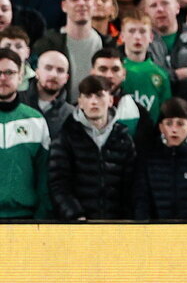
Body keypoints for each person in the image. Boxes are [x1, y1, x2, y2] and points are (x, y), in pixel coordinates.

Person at [48, 74, 136, 221]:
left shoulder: (123, 138)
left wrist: (127, 219)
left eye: (99, 95)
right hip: (77, 224)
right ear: (80, 102)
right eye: (88, 96)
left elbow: (132, 186)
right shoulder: (66, 137)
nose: (94, 102)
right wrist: (75, 215)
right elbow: (58, 184)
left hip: (117, 226)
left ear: (110, 100)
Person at [133, 97, 187, 222]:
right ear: (161, 127)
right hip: (157, 235)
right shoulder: (148, 159)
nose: (174, 129)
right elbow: (141, 202)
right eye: (169, 123)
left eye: (180, 123)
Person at [0, 47, 51, 219]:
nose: (2, 78)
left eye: (9, 72)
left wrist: (41, 219)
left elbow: (44, 176)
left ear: (21, 77)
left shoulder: (35, 120)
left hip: (25, 219)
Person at [21, 48, 72, 139]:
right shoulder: (16, 102)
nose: (53, 74)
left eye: (60, 70)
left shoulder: (71, 115)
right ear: (37, 72)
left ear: (66, 78)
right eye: (48, 68)